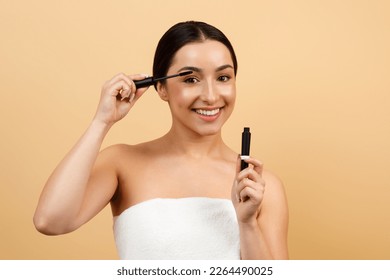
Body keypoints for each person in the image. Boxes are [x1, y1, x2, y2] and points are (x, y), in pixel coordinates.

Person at [34, 21, 289, 260]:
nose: (211, 96)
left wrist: (247, 224)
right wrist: (102, 121)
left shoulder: (259, 185)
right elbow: (51, 221)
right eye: (191, 79)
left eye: (223, 78)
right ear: (161, 88)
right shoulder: (122, 163)